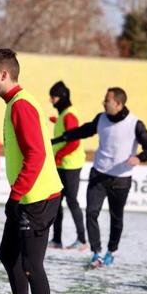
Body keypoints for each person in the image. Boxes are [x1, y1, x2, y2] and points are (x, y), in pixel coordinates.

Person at [0, 48, 62, 294]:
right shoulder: (14, 102)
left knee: (31, 265)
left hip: (38, 198)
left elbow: (36, 154)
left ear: (3, 74)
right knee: (8, 254)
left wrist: (16, 195)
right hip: (28, 196)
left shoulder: (21, 105)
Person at [52, 87, 147, 267]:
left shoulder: (135, 124)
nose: (103, 102)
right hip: (98, 174)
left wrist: (139, 157)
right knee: (91, 212)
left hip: (121, 179)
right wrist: (62, 137)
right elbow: (84, 131)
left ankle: (111, 251)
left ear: (118, 104)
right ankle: (96, 252)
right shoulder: (101, 118)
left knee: (116, 217)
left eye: (107, 100)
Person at [48, 81, 87, 250]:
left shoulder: (69, 115)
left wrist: (58, 156)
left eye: (54, 97)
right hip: (61, 165)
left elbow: (74, 143)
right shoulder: (64, 115)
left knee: (72, 201)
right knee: (56, 202)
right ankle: (56, 240)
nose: (51, 101)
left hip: (70, 165)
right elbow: (66, 133)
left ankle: (82, 240)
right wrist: (57, 121)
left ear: (62, 97)